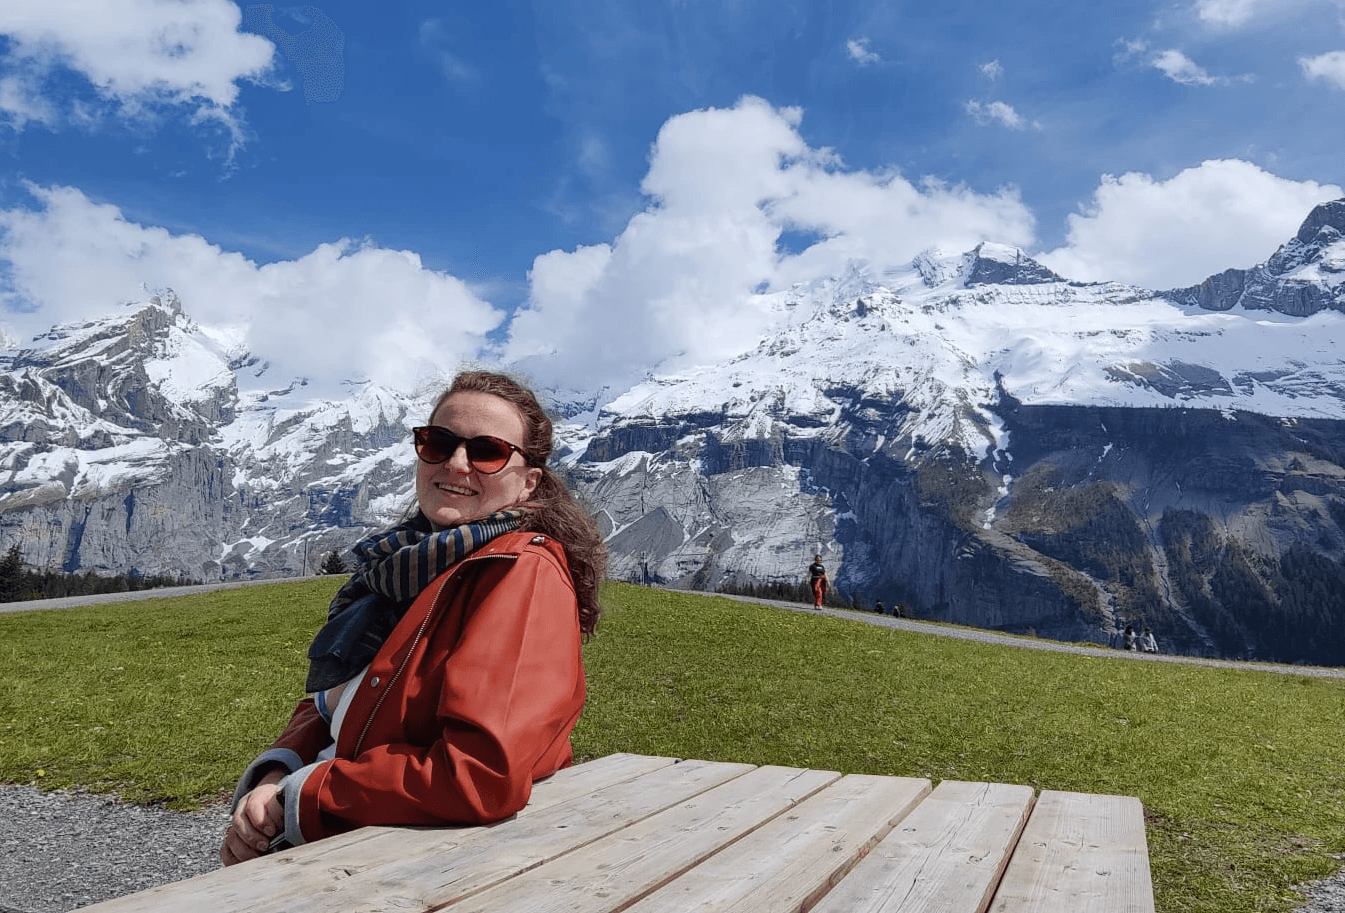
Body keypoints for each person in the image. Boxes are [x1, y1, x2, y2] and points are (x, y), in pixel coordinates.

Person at [221, 371, 605, 865]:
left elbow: (478, 775)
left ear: (528, 483)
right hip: (348, 830)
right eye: (438, 442)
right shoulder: (410, 564)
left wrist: (303, 794)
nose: (456, 463)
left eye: (487, 451)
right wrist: (276, 776)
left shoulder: (519, 571)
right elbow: (336, 699)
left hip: (401, 857)